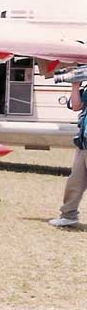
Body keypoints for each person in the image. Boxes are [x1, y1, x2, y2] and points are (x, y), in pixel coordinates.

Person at [49, 81, 87, 227]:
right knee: (75, 181)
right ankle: (69, 215)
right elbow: (76, 106)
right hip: (84, 141)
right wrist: (75, 85)